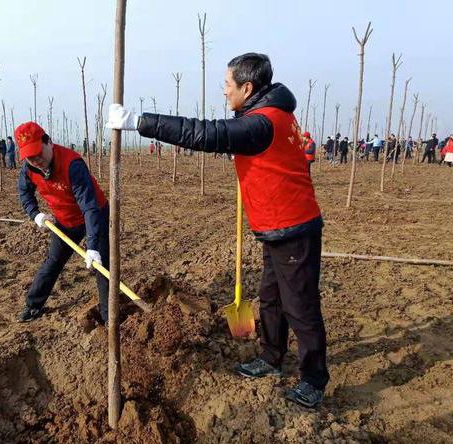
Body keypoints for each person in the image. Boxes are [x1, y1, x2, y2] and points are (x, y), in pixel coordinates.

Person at [107, 52, 328, 408]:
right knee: (271, 299)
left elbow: (204, 133)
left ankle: (314, 379)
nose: (224, 93)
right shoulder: (272, 115)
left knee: (300, 306)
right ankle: (271, 358)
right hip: (275, 227)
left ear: (247, 87)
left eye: (227, 85)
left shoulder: (263, 122)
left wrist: (140, 121)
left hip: (293, 229)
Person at [16, 121, 110, 325]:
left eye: (38, 153)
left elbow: (89, 207)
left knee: (102, 266)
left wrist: (92, 247)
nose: (36, 160)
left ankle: (108, 317)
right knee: (54, 260)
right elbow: (24, 192)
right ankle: (33, 306)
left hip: (95, 215)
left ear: (49, 142)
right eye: (30, 157)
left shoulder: (72, 164)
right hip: (65, 219)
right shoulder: (29, 168)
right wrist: (35, 214)